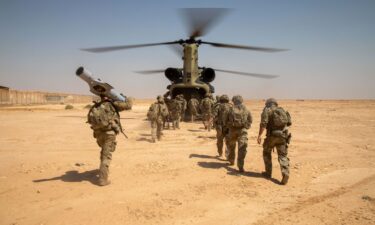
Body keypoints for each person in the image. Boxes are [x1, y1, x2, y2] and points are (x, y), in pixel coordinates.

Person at [87, 95, 131, 186]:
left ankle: (102, 171)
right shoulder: (111, 104)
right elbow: (128, 105)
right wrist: (125, 97)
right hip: (109, 134)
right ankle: (103, 180)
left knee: (103, 152)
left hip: (98, 134)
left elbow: (90, 121)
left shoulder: (94, 107)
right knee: (106, 156)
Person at [257, 98, 292, 185]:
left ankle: (268, 173)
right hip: (283, 136)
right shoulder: (282, 110)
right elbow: (289, 123)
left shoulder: (267, 110)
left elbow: (263, 124)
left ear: (268, 104)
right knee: (282, 156)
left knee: (266, 152)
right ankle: (285, 173)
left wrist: (259, 135)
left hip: (271, 136)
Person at [226, 95, 252, 173]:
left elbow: (225, 120)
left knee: (231, 146)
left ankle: (231, 161)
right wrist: (246, 127)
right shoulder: (246, 109)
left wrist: (229, 126)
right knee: (242, 148)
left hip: (232, 131)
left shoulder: (230, 109)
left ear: (234, 101)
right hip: (242, 131)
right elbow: (250, 119)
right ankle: (240, 166)